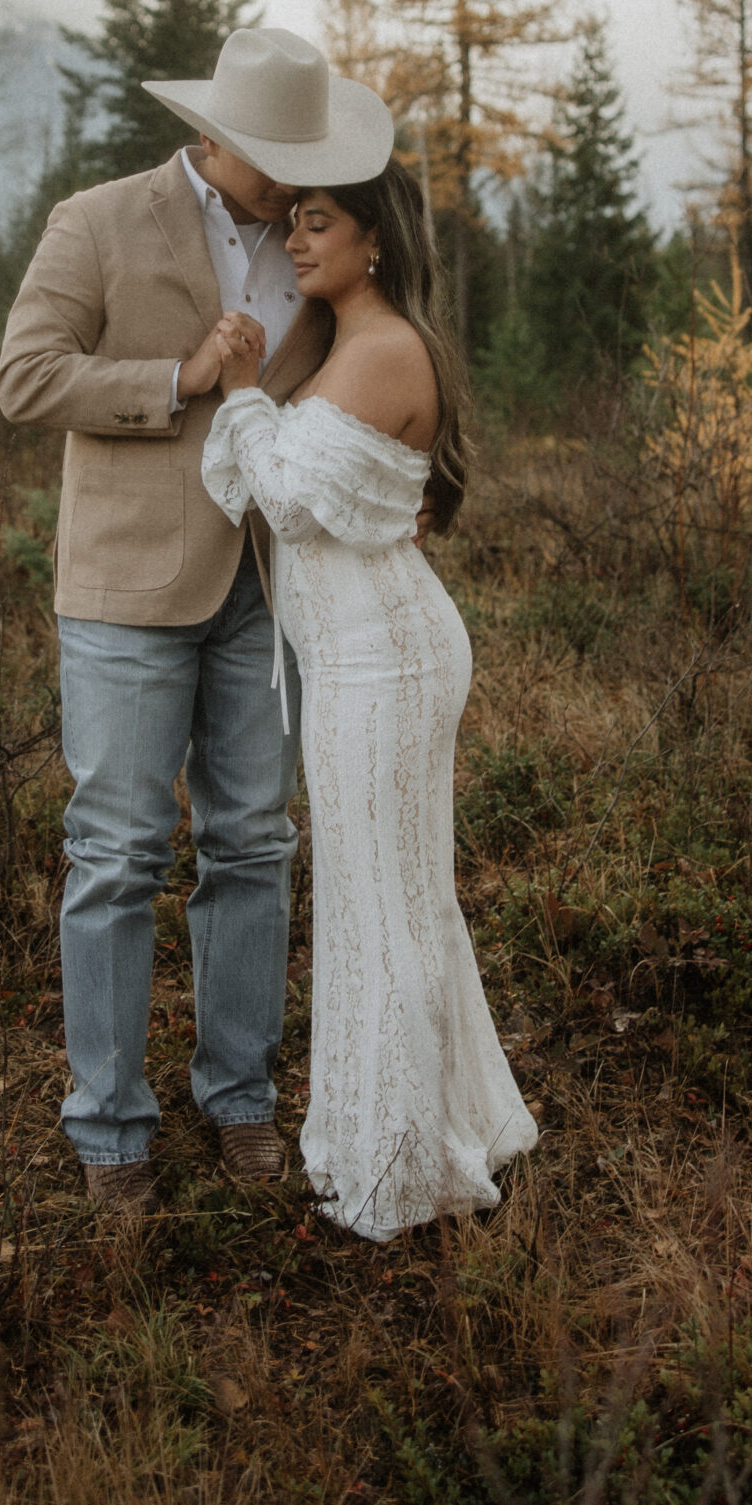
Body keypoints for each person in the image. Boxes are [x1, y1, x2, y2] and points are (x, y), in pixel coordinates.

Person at [0, 27, 394, 1215]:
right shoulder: (98, 220)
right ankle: (110, 1128)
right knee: (115, 856)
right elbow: (25, 376)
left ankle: (241, 1098)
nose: (292, 180)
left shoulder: (317, 238)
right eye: (274, 153)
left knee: (255, 845)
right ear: (212, 136)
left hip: (272, 591)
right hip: (125, 591)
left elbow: (376, 369)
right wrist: (176, 376)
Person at [200, 159, 538, 1242]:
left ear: (374, 240)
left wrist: (245, 393)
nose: (296, 242)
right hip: (361, 654)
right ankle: (429, 1130)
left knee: (382, 905)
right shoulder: (362, 344)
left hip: (381, 660)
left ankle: (398, 1164)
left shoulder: (385, 346)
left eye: (318, 224)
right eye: (291, 225)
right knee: (385, 898)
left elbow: (291, 499)